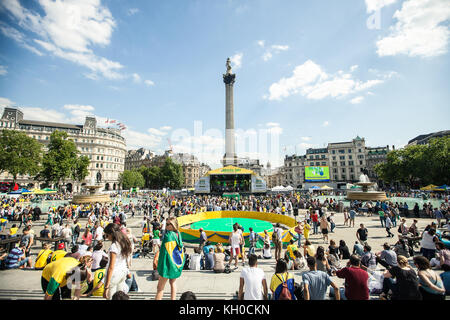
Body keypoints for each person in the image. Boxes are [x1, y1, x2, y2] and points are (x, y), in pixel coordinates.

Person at [155, 217, 185, 300]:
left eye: (168, 224)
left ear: (173, 225)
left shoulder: (168, 236)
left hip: (168, 265)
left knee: (160, 288)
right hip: (175, 263)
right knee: (172, 282)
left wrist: (160, 266)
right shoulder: (178, 234)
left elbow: (164, 253)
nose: (166, 226)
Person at [103, 223, 132, 300]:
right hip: (122, 272)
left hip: (114, 275)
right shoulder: (123, 243)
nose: (107, 238)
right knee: (120, 297)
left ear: (112, 234)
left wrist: (106, 287)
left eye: (107, 235)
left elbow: (111, 267)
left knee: (111, 297)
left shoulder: (114, 246)